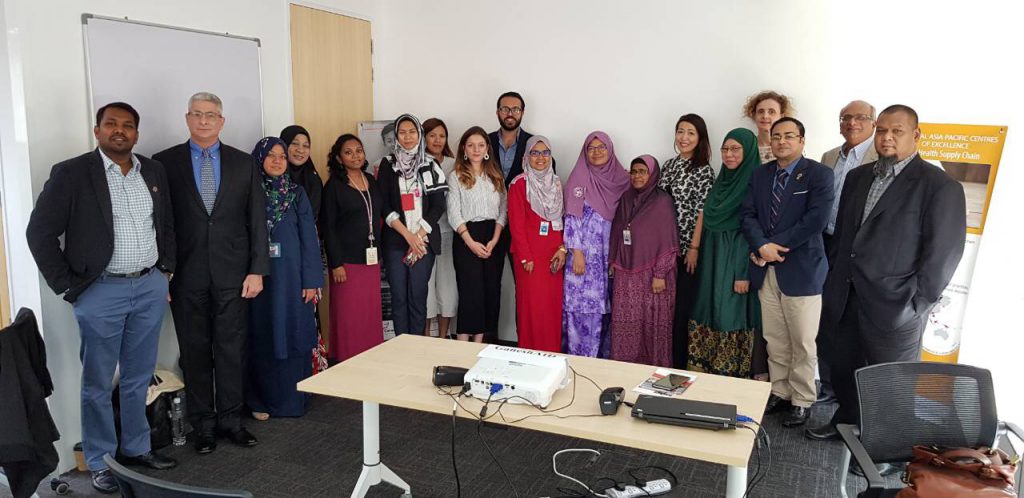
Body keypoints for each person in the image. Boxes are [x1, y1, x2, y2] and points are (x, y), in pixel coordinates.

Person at [26, 102, 177, 493]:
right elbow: (39, 233)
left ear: (137, 134)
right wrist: (67, 286)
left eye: (128, 126)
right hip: (100, 291)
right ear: (97, 131)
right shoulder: (73, 174)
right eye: (111, 124)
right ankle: (100, 460)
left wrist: (166, 269)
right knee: (96, 381)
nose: (120, 131)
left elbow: (166, 224)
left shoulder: (153, 171)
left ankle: (137, 449)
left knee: (138, 375)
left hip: (148, 286)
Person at [806, 105, 966, 444]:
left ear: (916, 135)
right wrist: (833, 281)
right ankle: (845, 423)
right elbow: (845, 238)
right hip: (846, 296)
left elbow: (943, 255)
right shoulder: (857, 178)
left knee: (892, 383)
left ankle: (884, 446)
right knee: (844, 368)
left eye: (897, 131)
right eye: (882, 131)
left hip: (897, 305)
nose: (887, 138)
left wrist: (915, 302)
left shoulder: (939, 186)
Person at [154, 92, 267, 454]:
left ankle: (232, 421)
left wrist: (257, 270)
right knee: (195, 350)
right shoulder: (164, 162)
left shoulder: (241, 162)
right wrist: (163, 271)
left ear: (222, 121)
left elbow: (256, 221)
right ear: (187, 118)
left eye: (211, 115)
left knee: (232, 349)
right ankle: (203, 424)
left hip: (234, 274)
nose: (204, 121)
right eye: (197, 114)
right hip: (185, 274)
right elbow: (160, 223)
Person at [741, 117, 833, 428]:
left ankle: (803, 398)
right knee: (775, 338)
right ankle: (779, 391)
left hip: (802, 269)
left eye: (789, 136)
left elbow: (815, 220)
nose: (782, 141)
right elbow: (748, 214)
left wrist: (773, 246)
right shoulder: (761, 175)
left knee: (803, 341)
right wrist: (761, 246)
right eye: (777, 136)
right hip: (767, 270)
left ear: (802, 141)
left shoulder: (819, 174)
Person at [245, 137, 323, 420]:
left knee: (293, 333)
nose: (278, 161)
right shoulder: (250, 191)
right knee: (262, 334)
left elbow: (309, 239)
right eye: (271, 156)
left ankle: (293, 400)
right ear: (260, 159)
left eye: (282, 156)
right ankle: (260, 401)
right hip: (259, 278)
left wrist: (312, 280)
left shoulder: (296, 193)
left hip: (293, 279)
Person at [814, 100, 878, 405]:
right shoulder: (828, 156)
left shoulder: (881, 157)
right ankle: (827, 386)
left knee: (852, 322)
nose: (852, 123)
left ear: (873, 123)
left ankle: (853, 395)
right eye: (846, 118)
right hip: (825, 244)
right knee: (825, 318)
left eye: (860, 117)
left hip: (859, 250)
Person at [688, 129, 761, 378]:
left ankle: (730, 374)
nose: (729, 155)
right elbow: (706, 216)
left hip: (736, 258)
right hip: (713, 256)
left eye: (735, 149)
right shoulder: (722, 181)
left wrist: (743, 273)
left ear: (748, 151)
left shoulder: (754, 183)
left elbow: (753, 232)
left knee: (729, 312)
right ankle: (706, 369)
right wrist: (696, 249)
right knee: (707, 307)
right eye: (725, 149)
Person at [377, 114, 448, 336]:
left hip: (423, 242)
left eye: (412, 132)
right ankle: (401, 346)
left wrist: (417, 236)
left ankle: (416, 346)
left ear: (419, 134)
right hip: (397, 240)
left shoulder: (430, 164)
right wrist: (408, 235)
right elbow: (384, 204)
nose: (407, 137)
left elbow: (438, 205)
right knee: (399, 297)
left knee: (418, 296)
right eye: (402, 132)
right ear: (396, 136)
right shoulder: (388, 165)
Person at [563, 131, 630, 358]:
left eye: (602, 147)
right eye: (592, 148)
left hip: (609, 258)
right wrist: (577, 252)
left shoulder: (622, 181)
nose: (597, 151)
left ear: (610, 149)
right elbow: (572, 218)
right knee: (582, 310)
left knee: (607, 313)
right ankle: (579, 362)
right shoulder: (579, 179)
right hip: (584, 258)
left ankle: (602, 365)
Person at [608, 155, 679, 366]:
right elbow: (617, 232)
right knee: (625, 324)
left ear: (653, 174)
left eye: (642, 171)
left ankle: (654, 371)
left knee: (652, 325)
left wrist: (660, 274)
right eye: (634, 171)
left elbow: (669, 242)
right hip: (626, 273)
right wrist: (614, 261)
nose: (637, 176)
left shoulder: (662, 202)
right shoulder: (626, 198)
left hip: (654, 277)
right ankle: (624, 369)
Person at [658, 114, 715, 368]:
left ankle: (681, 364)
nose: (684, 138)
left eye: (691, 133)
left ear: (700, 137)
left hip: (687, 251)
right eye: (680, 131)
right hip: (665, 249)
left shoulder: (704, 170)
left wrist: (694, 247)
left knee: (682, 310)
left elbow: (702, 211)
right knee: (665, 308)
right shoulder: (669, 165)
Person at [321, 134, 384, 360]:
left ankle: (370, 356)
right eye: (348, 152)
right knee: (348, 314)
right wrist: (336, 263)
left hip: (370, 259)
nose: (355, 155)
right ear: (338, 158)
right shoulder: (334, 186)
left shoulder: (371, 180)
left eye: (359, 150)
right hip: (346, 263)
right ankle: (347, 358)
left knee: (368, 312)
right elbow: (328, 227)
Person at [448, 126, 508, 343]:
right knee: (470, 291)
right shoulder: (455, 177)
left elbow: (503, 209)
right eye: (471, 145)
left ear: (487, 149)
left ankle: (479, 343)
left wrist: (495, 239)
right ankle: (463, 343)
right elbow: (454, 213)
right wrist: (470, 242)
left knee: (489, 290)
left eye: (480, 145)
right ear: (464, 148)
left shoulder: (495, 176)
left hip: (493, 235)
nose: (476, 149)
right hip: (466, 236)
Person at [508, 136, 566, 352]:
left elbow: (563, 220)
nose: (540, 158)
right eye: (535, 152)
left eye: (545, 153)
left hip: (553, 256)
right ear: (527, 156)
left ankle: (551, 354)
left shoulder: (557, 183)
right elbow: (516, 224)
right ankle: (529, 353)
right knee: (531, 307)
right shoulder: (519, 184)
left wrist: (562, 249)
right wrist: (525, 256)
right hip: (530, 257)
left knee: (551, 308)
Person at [422, 118, 458, 337]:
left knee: (448, 288)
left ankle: (444, 336)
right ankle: (426, 337)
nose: (437, 140)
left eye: (441, 136)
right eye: (432, 135)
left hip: (448, 233)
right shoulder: (417, 163)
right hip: (424, 234)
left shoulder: (453, 164)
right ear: (424, 137)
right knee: (425, 289)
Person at [280, 125, 323, 219]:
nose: (300, 150)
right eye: (295, 143)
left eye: (306, 145)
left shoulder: (313, 179)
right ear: (283, 145)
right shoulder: (273, 176)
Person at [743, 90, 794, 164]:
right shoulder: (746, 148)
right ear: (754, 115)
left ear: (781, 116)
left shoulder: (792, 147)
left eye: (771, 112)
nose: (765, 116)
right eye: (761, 111)